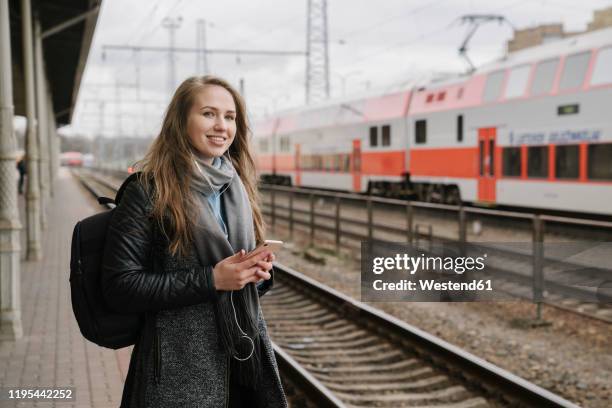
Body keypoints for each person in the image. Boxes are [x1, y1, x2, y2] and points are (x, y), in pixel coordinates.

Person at [101, 76, 288, 407]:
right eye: (208, 113)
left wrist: (257, 274)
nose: (221, 126)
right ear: (180, 120)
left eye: (230, 117)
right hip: (178, 370)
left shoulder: (238, 187)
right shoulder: (148, 190)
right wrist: (212, 279)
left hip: (243, 359)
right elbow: (120, 286)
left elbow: (240, 282)